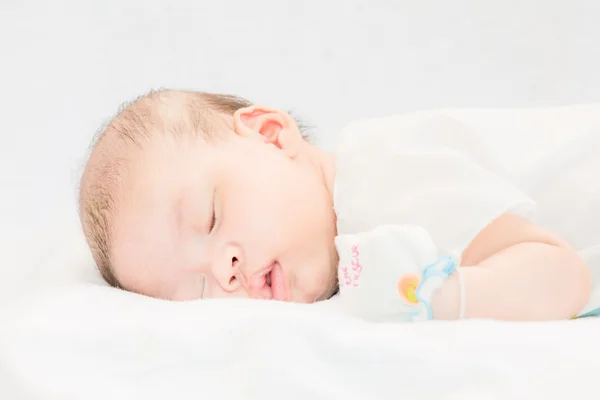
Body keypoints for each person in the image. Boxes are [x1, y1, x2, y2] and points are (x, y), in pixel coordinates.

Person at [79, 89, 591, 321]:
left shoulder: (379, 179)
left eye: (210, 219)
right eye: (198, 289)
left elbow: (563, 275)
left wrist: (438, 297)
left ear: (270, 134)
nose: (224, 271)